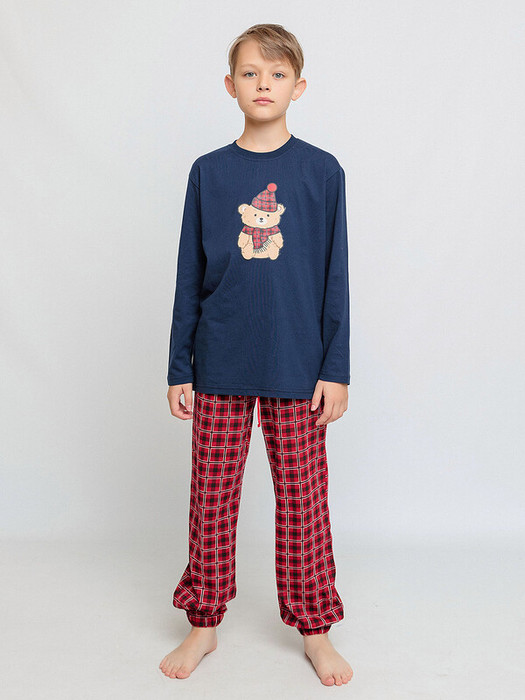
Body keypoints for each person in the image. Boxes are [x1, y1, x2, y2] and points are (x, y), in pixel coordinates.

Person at [159, 23, 354, 687]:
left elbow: (334, 276)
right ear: (230, 85)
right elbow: (188, 273)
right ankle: (203, 622)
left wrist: (335, 369)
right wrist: (179, 366)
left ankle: (315, 628)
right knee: (211, 499)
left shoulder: (322, 172)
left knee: (303, 504)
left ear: (298, 86)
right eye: (250, 73)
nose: (262, 84)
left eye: (276, 74)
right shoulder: (209, 173)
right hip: (218, 362)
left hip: (298, 368)